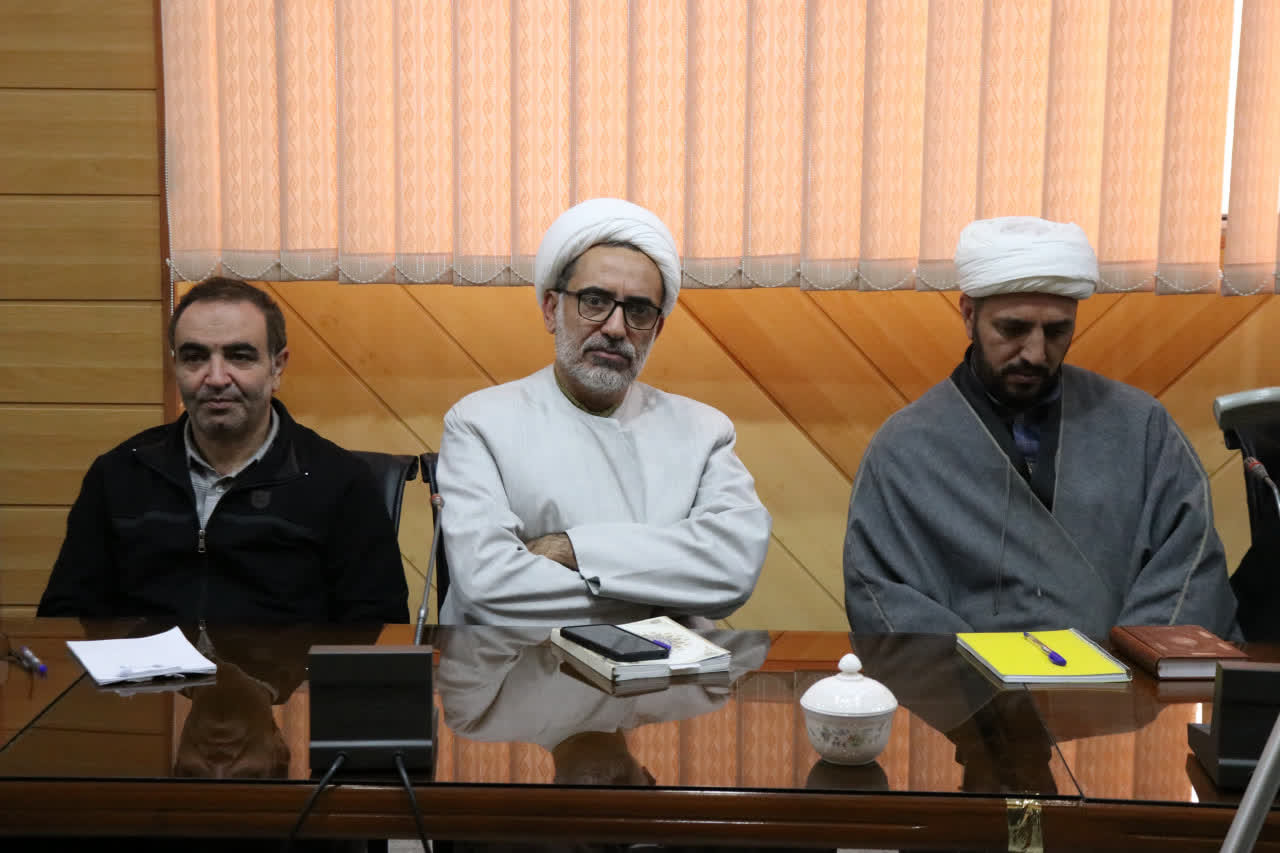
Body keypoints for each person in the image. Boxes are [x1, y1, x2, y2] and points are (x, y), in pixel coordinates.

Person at [843, 216, 1240, 638]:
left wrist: (1132, 665)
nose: (1035, 353)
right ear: (969, 315)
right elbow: (884, 593)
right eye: (1012, 329)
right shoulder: (906, 448)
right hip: (969, 679)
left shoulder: (1141, 427)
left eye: (1057, 331)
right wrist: (978, 677)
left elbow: (1188, 566)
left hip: (1125, 674)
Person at [437, 197, 770, 625]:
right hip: (521, 662)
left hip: (664, 664)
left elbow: (730, 572)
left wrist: (569, 549)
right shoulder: (479, 423)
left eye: (638, 310)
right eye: (595, 301)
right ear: (552, 309)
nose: (615, 328)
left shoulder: (705, 432)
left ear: (657, 328)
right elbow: (487, 587)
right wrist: (664, 593)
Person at [38, 277, 409, 625]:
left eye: (240, 356)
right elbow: (65, 619)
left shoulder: (341, 483)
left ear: (277, 367)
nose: (216, 378)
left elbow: (376, 634)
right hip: (143, 673)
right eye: (195, 357)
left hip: (285, 675)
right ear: (175, 366)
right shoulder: (119, 474)